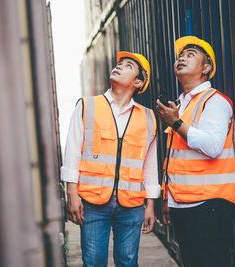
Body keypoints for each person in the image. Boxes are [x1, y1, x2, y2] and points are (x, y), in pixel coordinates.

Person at [61, 51, 160, 267]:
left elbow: (149, 165)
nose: (119, 67)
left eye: (127, 66)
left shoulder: (148, 117)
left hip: (132, 203)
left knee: (128, 261)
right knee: (94, 262)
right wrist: (72, 193)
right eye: (119, 64)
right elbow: (72, 153)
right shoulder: (88, 106)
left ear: (138, 81)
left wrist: (150, 204)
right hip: (93, 201)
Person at [156, 36, 235, 267]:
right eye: (180, 56)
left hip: (210, 206)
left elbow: (212, 147)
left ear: (206, 68)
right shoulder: (182, 106)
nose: (181, 57)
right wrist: (169, 200)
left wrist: (176, 123)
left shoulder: (214, 101)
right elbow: (176, 159)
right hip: (184, 205)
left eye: (190, 54)